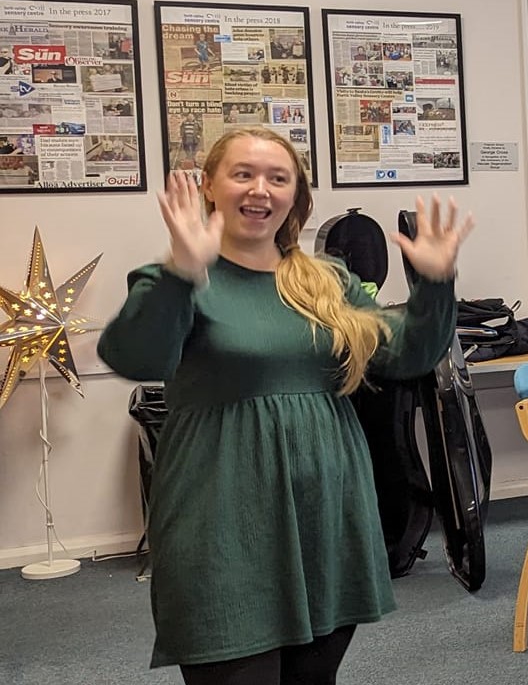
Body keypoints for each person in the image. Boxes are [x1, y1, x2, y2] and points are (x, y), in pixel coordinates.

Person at [97, 127, 471, 684]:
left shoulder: (327, 280)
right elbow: (135, 356)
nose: (261, 189)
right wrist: (181, 272)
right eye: (243, 174)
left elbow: (406, 355)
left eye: (278, 178)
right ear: (209, 186)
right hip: (221, 512)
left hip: (325, 507)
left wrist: (435, 285)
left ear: (296, 196)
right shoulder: (175, 278)